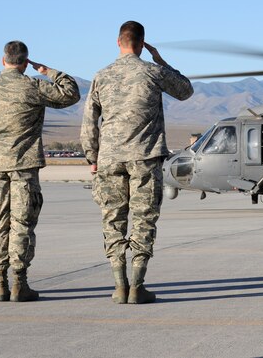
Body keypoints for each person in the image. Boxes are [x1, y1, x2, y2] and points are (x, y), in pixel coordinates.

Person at [81, 21, 194, 304]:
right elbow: (185, 90)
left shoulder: (101, 76)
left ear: (118, 42)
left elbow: (88, 122)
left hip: (109, 159)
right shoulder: (153, 71)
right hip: (144, 157)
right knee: (144, 219)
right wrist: (160, 60)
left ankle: (119, 285)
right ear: (142, 44)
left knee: (113, 219)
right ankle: (137, 286)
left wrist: (92, 157)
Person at [0, 41, 80, 302]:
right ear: (25, 61)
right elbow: (70, 94)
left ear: (2, 60)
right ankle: (19, 282)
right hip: (24, 168)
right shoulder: (33, 85)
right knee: (22, 223)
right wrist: (49, 71)